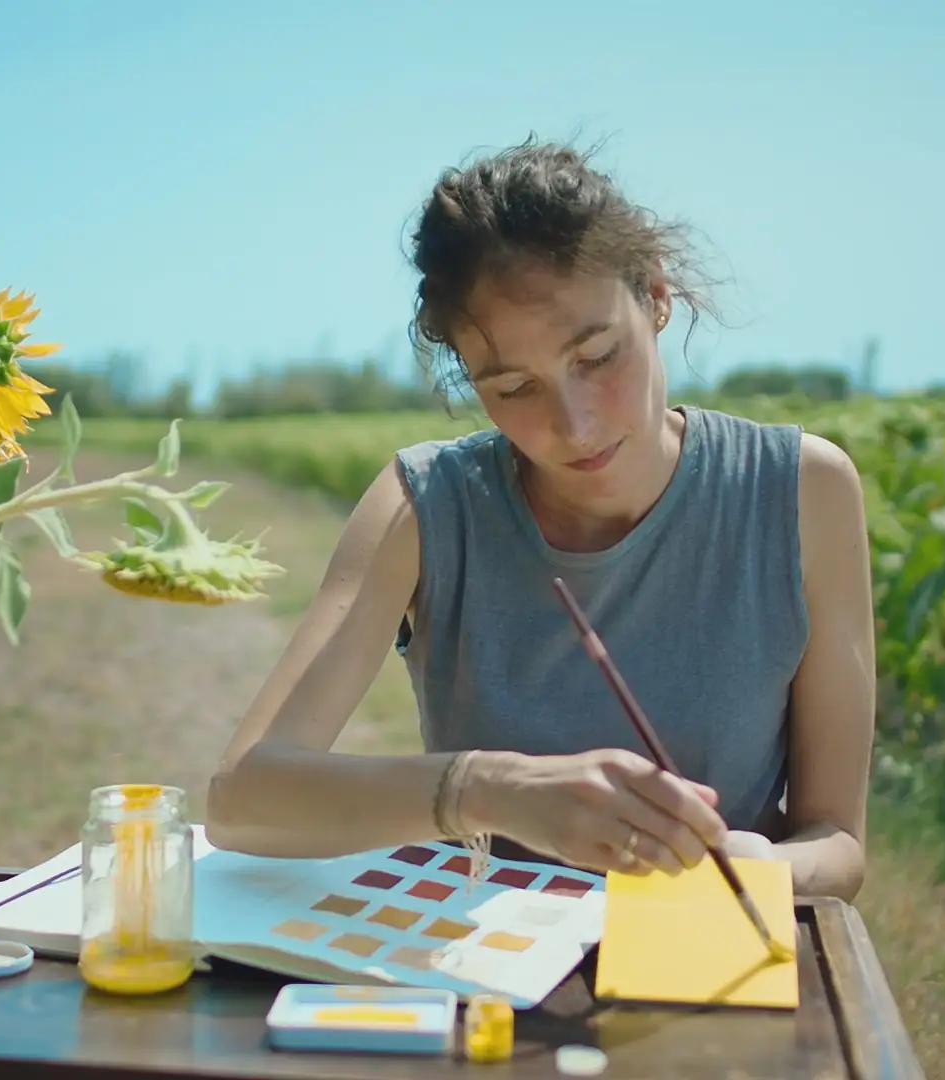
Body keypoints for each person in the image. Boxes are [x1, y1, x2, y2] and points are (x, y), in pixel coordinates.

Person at [203, 138, 875, 901]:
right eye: (515, 386)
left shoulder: (800, 492)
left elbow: (839, 842)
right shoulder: (424, 507)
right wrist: (490, 789)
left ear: (655, 296)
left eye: (597, 357)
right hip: (487, 975)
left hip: (710, 965)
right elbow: (240, 801)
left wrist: (761, 872)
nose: (576, 424)